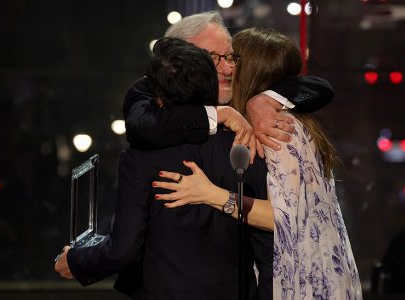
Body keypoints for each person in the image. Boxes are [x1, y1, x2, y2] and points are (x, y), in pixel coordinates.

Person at [54, 37, 273, 299]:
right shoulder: (248, 144)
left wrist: (76, 261)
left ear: (158, 95)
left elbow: (123, 250)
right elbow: (265, 244)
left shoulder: (141, 159)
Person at [154, 28, 363, 300]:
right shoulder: (268, 120)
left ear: (248, 71)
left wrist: (209, 194)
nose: (226, 68)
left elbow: (283, 218)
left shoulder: (279, 131)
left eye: (232, 59)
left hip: (297, 283)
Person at [123, 11, 335, 161]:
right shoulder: (149, 88)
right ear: (176, 61)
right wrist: (222, 114)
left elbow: (320, 88)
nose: (228, 69)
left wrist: (262, 101)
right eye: (212, 57)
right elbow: (143, 128)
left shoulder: (242, 82)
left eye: (229, 57)